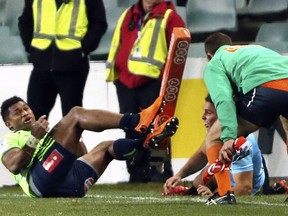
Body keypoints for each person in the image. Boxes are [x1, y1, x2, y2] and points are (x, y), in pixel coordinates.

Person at [0, 96, 178, 197]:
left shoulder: (45, 136)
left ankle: (146, 142)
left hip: (70, 185)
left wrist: (75, 138)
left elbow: (81, 157)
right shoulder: (9, 139)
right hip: (40, 182)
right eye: (18, 112)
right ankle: (137, 120)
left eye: (26, 108)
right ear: (9, 124)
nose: (25, 113)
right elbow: (14, 165)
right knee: (76, 114)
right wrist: (34, 138)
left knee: (106, 148)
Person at [202, 32, 288, 205]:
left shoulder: (215, 62)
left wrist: (228, 137)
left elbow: (223, 99)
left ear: (208, 56)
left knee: (214, 136)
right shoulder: (253, 48)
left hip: (265, 88)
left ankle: (225, 193)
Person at [105, 0, 185, 182]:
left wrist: (167, 85)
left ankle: (159, 172)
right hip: (126, 83)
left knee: (158, 128)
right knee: (131, 128)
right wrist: (116, 77)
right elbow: (118, 43)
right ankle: (136, 173)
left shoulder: (170, 17)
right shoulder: (128, 14)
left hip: (154, 83)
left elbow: (178, 52)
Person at [18, 0, 107, 119]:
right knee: (34, 117)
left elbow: (99, 23)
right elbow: (25, 21)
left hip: (73, 66)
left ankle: (71, 138)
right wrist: (31, 48)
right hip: (41, 65)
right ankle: (36, 139)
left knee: (71, 119)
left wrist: (83, 49)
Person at [163, 95, 265, 196]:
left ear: (223, 116)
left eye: (208, 112)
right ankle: (191, 192)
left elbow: (245, 187)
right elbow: (202, 154)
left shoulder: (242, 140)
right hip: (233, 175)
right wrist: (179, 175)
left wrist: (214, 196)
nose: (203, 116)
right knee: (200, 180)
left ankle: (212, 194)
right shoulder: (217, 132)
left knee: (212, 176)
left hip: (246, 185)